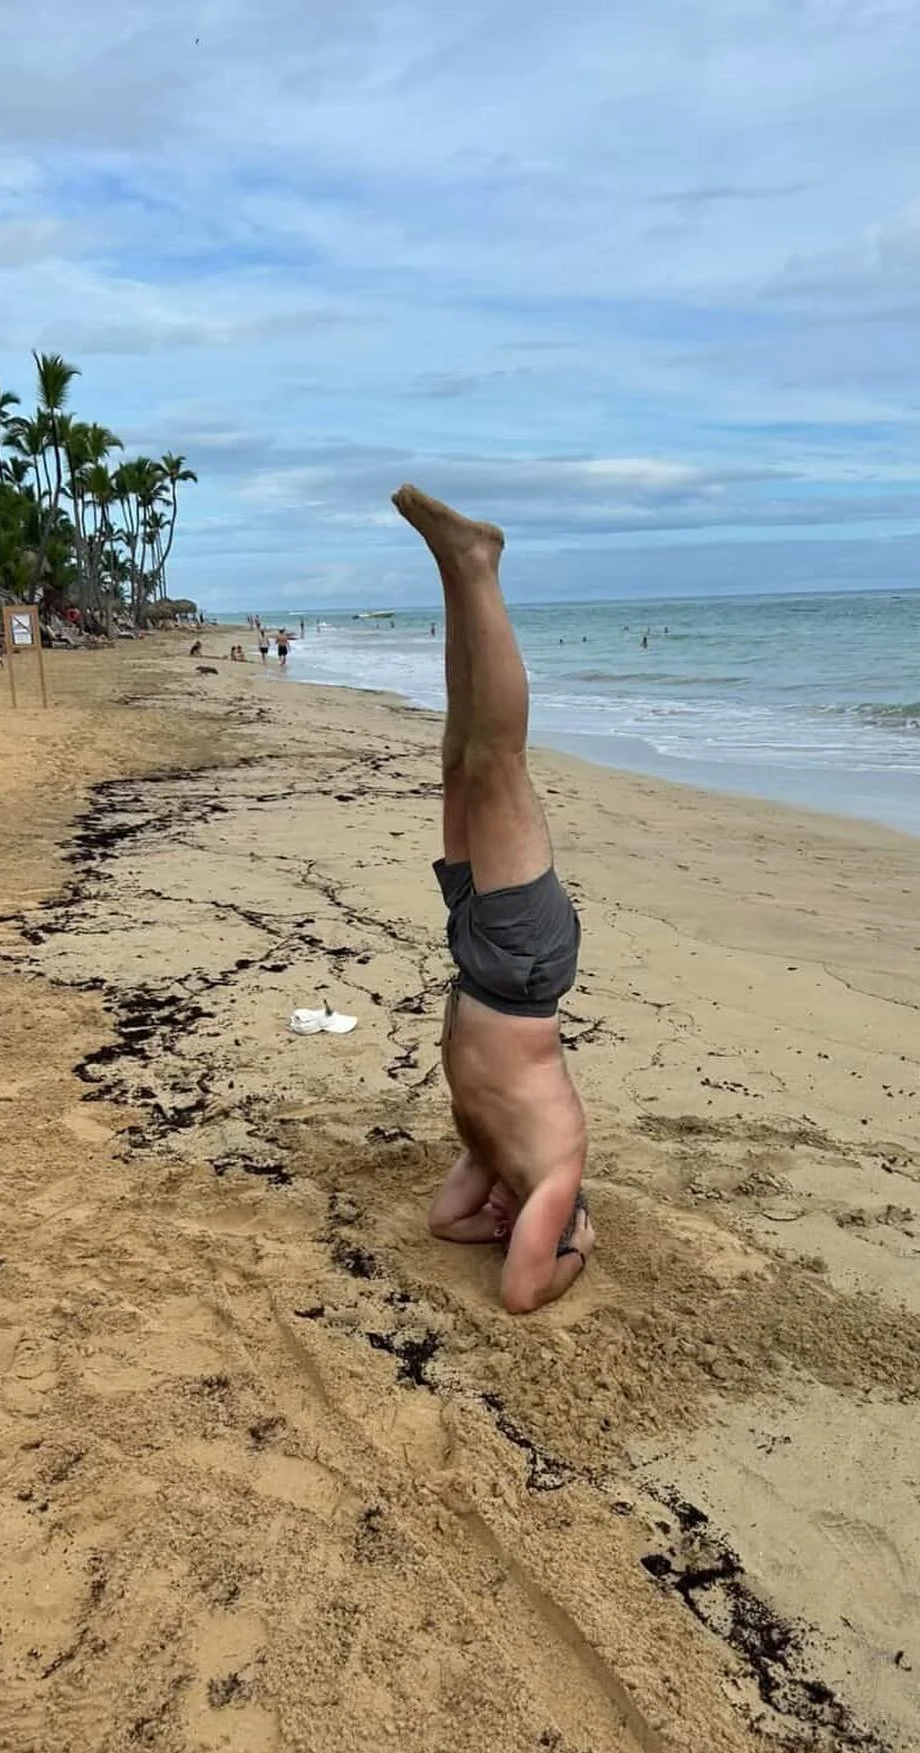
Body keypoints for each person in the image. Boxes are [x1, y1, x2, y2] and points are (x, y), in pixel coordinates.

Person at [392, 484, 592, 1313]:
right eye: (525, 1223)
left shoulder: (493, 1159)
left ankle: (455, 569)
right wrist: (572, 1247)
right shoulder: (555, 1173)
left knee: (456, 757)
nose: (499, 1217)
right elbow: (520, 1294)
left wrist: (491, 1213)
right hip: (520, 961)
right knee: (497, 763)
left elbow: (444, 1223)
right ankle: (479, 563)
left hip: (478, 953)